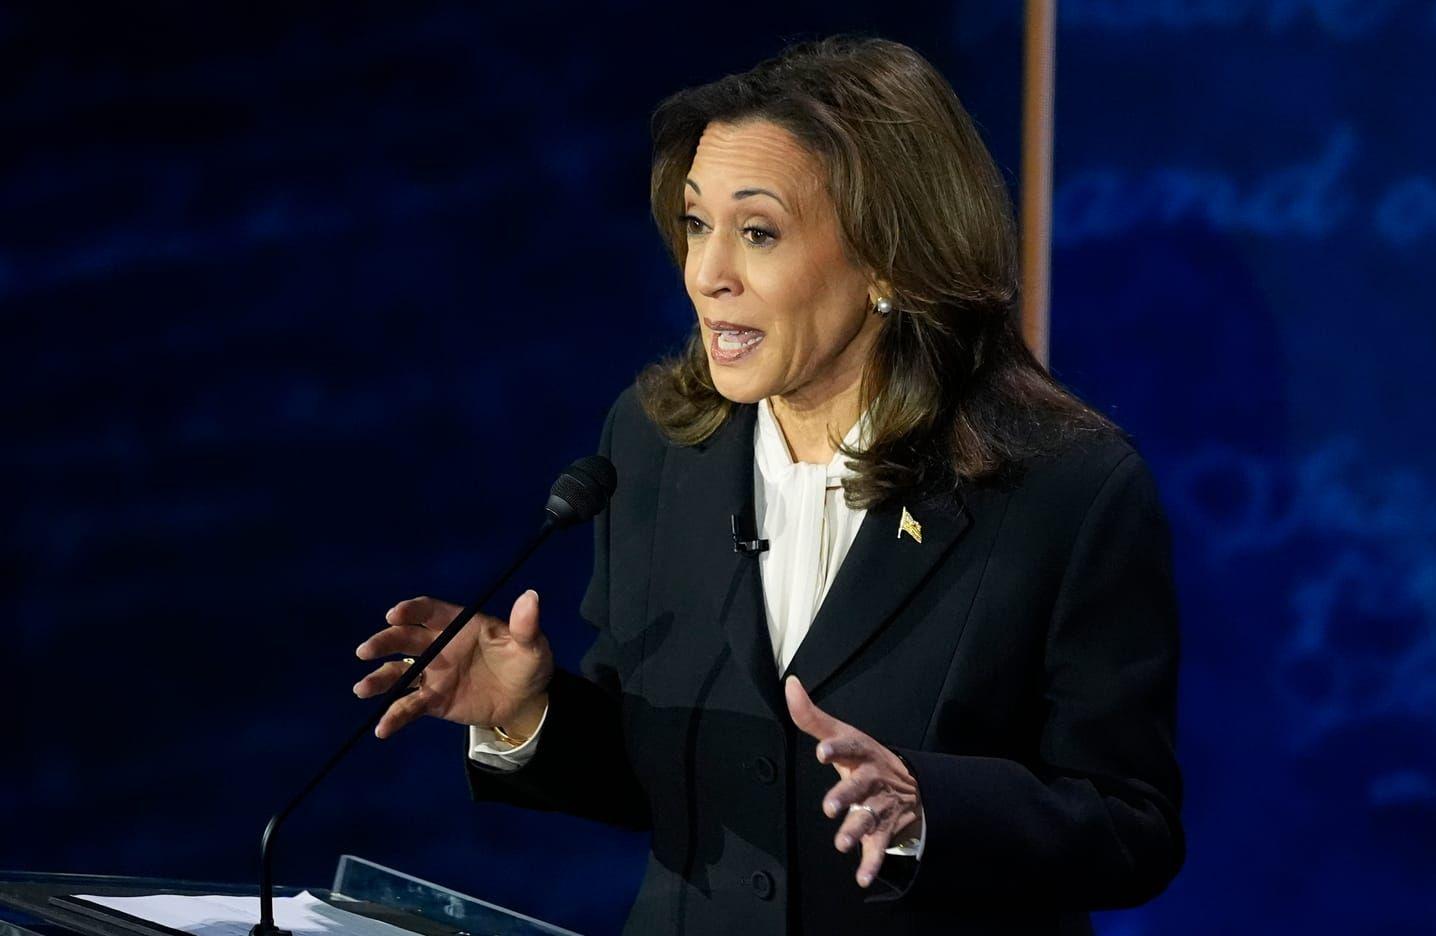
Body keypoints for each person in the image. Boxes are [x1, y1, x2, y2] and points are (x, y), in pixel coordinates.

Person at [352, 35, 1184, 936]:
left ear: (889, 258)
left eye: (757, 233)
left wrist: (928, 810)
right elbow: (659, 774)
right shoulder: (657, 444)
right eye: (695, 224)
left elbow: (1130, 824)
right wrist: (529, 713)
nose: (706, 274)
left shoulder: (1059, 486)